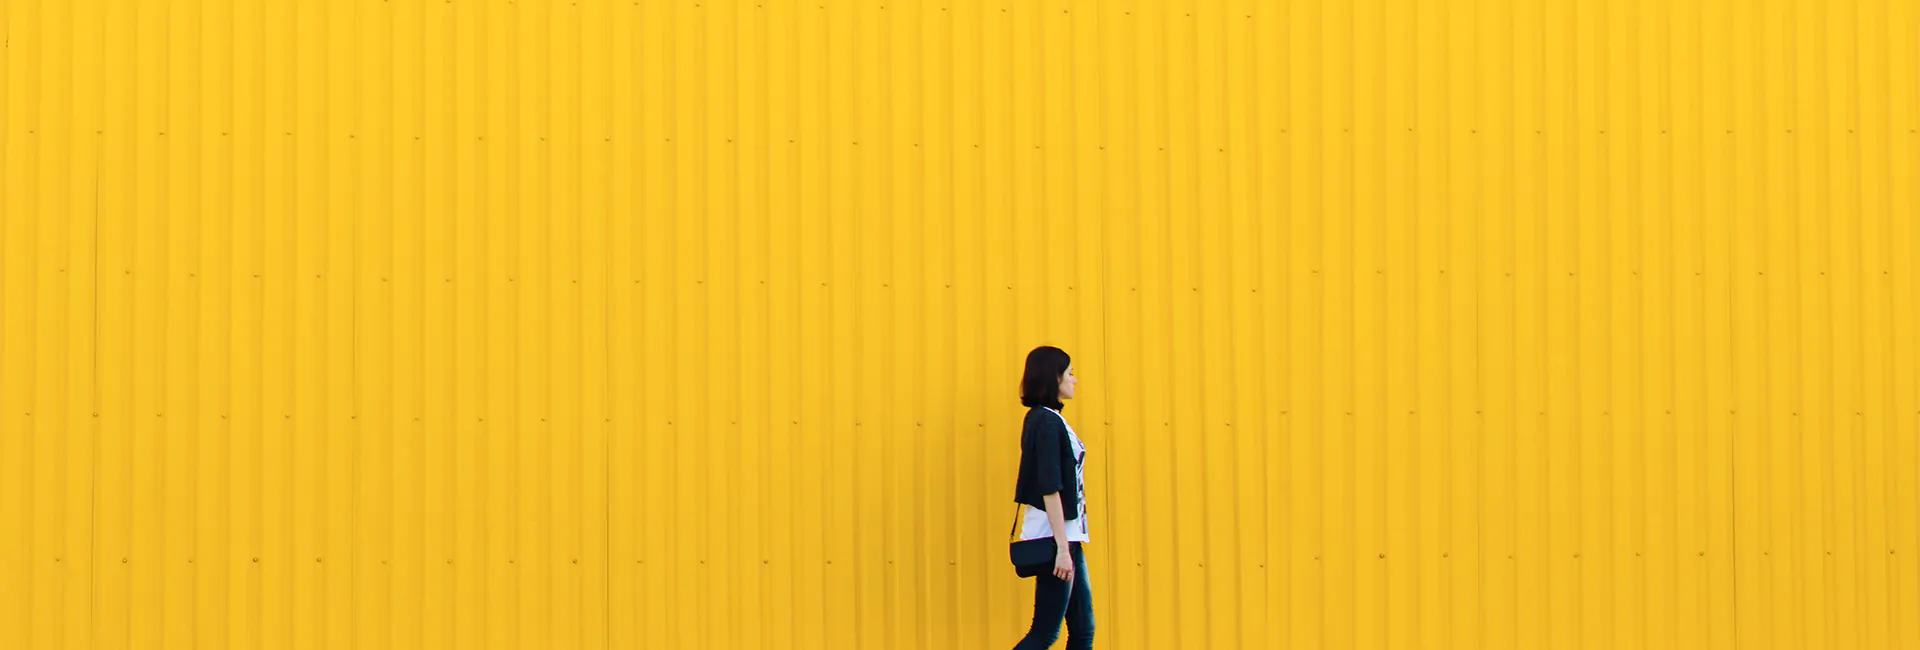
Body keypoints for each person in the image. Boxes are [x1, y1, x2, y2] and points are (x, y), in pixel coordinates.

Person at [1009, 345, 1093, 649]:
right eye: (1070, 373)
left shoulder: (1051, 420)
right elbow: (1050, 487)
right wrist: (1061, 548)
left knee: (1083, 631)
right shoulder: (1044, 421)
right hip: (1055, 538)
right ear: (1053, 378)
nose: (1075, 380)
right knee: (1045, 632)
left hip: (1067, 537)